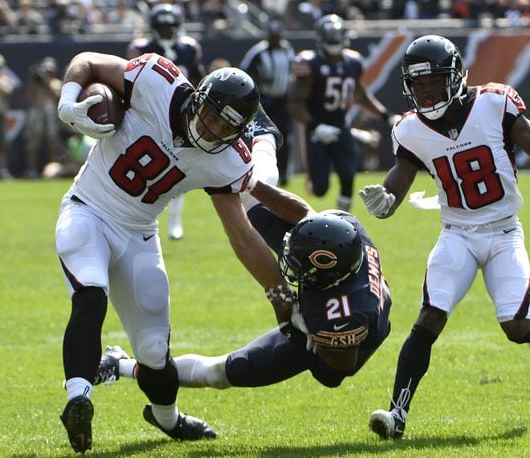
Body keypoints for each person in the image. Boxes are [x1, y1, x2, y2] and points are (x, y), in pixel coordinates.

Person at [55, 52, 297, 453]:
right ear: (199, 98)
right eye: (214, 115)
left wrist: (278, 291)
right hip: (87, 209)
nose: (215, 128)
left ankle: (167, 419)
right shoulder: (157, 80)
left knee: (153, 350)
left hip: (140, 233)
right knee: (90, 294)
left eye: (227, 126)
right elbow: (86, 62)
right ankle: (78, 398)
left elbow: (242, 234)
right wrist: (68, 100)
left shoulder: (225, 159)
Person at [358, 35, 530, 440]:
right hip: (457, 233)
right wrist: (386, 200)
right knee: (429, 317)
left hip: (504, 232)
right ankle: (397, 414)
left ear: (454, 77)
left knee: (513, 323)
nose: (427, 91)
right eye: (418, 85)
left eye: (434, 82)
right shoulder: (410, 129)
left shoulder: (493, 103)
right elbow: (398, 181)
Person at [94, 209, 392, 399]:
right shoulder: (346, 232)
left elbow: (335, 370)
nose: (290, 266)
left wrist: (294, 325)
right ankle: (119, 365)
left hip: (333, 355)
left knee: (218, 374)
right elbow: (302, 212)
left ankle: (120, 365)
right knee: (261, 215)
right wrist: (252, 184)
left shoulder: (341, 317)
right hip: (339, 314)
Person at [287, 14, 397, 211]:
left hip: (340, 125)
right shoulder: (310, 63)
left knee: (348, 176)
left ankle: (343, 221)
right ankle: (351, 137)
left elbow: (361, 96)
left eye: (336, 38)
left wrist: (386, 116)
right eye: (330, 38)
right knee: (320, 188)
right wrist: (315, 126)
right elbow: (295, 103)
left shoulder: (352, 63)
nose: (334, 42)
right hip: (316, 129)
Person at [127, 3, 206, 240]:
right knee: (143, 167)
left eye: (170, 26)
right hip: (149, 114)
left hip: (179, 117)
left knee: (178, 169)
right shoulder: (141, 48)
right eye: (161, 27)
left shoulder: (189, 49)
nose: (166, 31)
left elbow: (199, 80)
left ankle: (174, 220)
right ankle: (139, 219)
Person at [240, 18, 295, 186]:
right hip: (266, 101)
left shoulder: (288, 50)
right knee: (261, 136)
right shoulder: (258, 52)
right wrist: (261, 81)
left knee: (284, 137)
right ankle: (255, 171)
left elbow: (293, 70)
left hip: (283, 100)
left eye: (277, 36)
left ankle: (284, 173)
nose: (275, 39)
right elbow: (244, 75)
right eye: (273, 36)